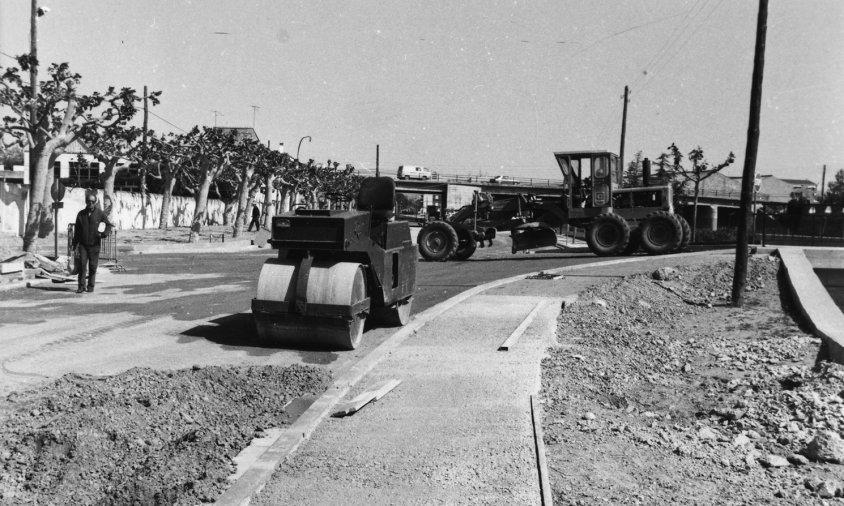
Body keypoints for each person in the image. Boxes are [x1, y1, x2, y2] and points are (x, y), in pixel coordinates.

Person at [71, 193, 113, 294]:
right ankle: (81, 287)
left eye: (93, 202)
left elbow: (108, 225)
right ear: (86, 202)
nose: (91, 203)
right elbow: (77, 230)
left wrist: (103, 234)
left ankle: (90, 286)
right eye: (89, 201)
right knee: (82, 265)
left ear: (95, 202)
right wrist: (74, 244)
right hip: (83, 245)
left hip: (95, 245)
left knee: (93, 266)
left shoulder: (100, 213)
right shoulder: (81, 214)